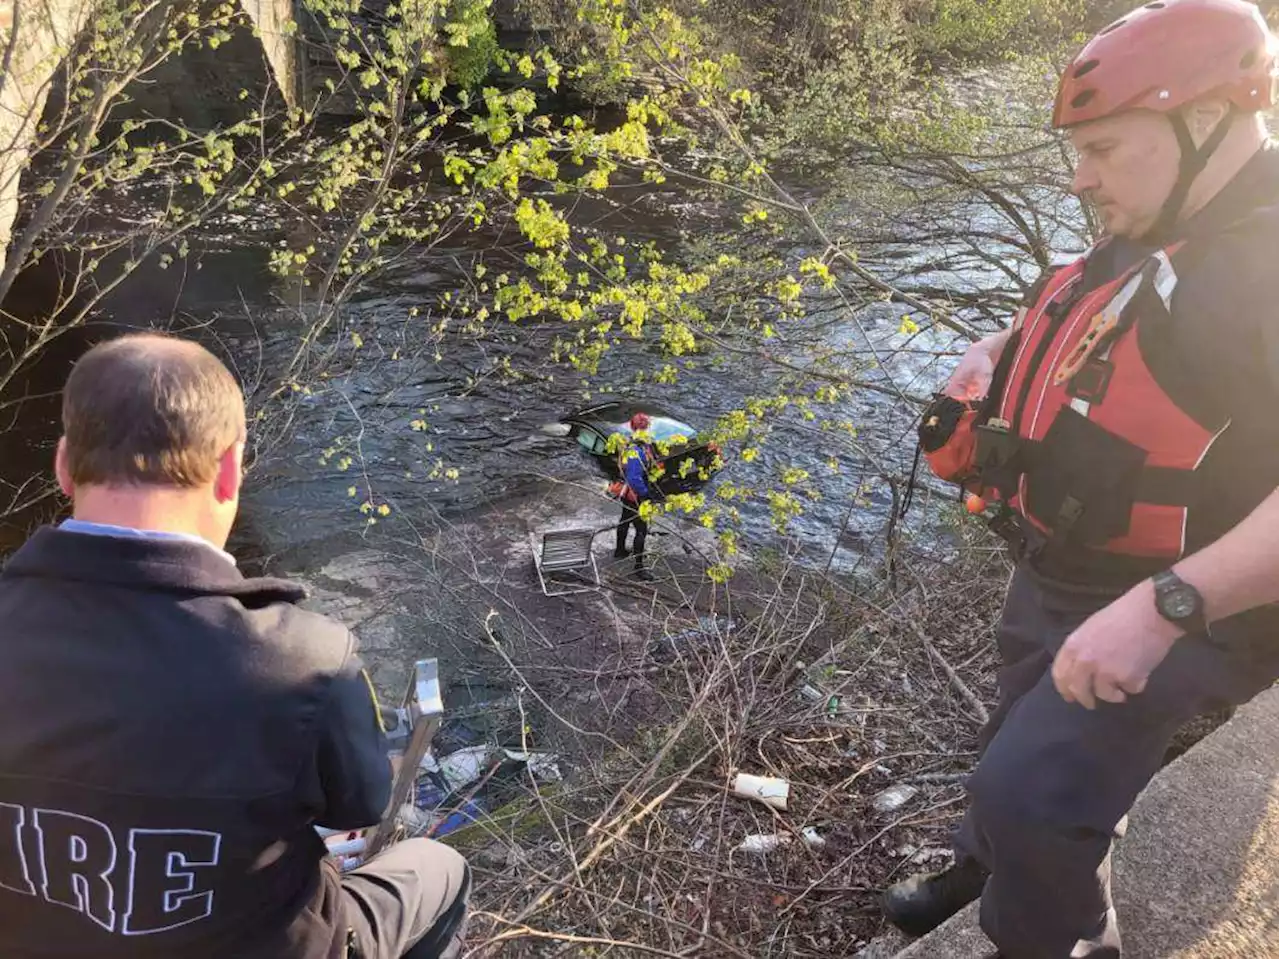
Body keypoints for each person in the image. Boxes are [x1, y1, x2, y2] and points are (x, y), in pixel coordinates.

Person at [884, 1, 1280, 956]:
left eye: (1104, 146)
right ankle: (988, 866)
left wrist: (1164, 608)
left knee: (1034, 792)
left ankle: (1058, 935)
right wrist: (996, 355)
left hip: (1205, 590)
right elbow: (1099, 320)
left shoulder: (1265, 266)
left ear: (1205, 120)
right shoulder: (1166, 218)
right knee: (1013, 727)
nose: (1080, 175)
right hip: (1075, 558)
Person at [0, 333, 470, 959]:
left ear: (63, 464)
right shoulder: (307, 660)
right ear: (228, 468)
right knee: (439, 866)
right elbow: (363, 799)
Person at [614, 411, 658, 581]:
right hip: (635, 494)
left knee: (625, 519)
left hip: (625, 492)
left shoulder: (629, 444)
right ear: (646, 428)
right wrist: (646, 494)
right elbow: (634, 477)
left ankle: (620, 550)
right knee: (641, 529)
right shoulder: (638, 449)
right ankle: (639, 568)